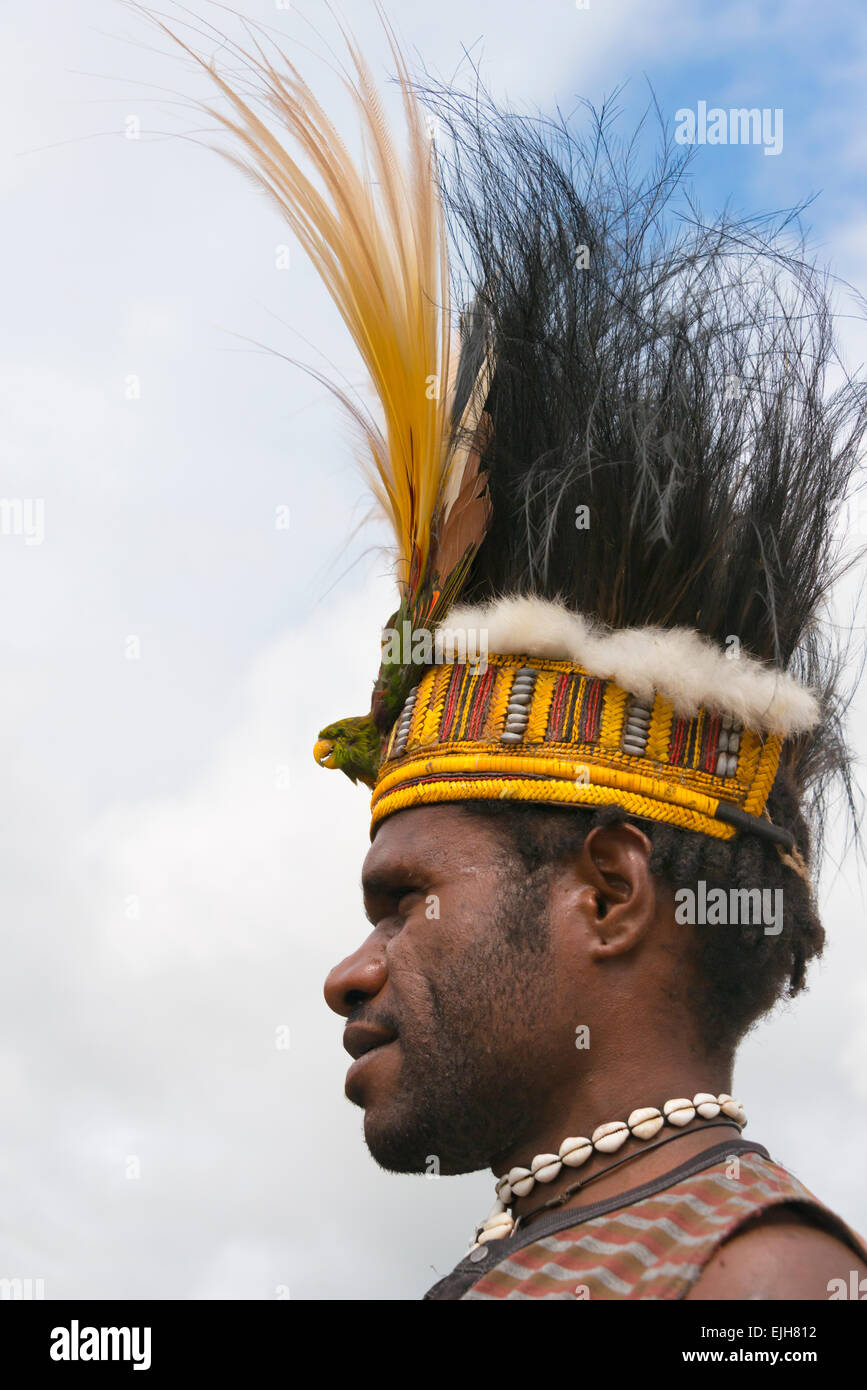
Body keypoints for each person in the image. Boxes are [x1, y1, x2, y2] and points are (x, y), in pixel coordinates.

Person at [174, 11, 867, 1298]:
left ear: (607, 893)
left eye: (404, 898)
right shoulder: (580, 1255)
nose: (351, 969)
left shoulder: (755, 1281)